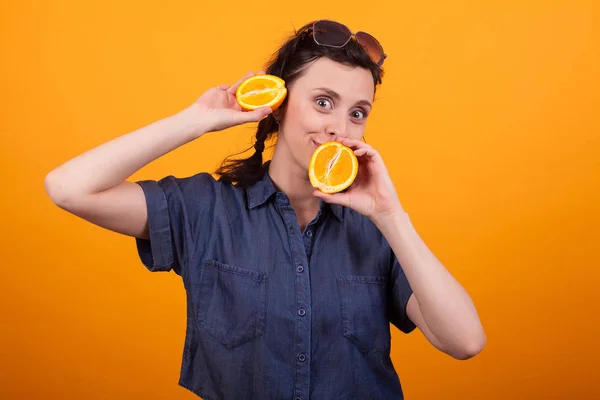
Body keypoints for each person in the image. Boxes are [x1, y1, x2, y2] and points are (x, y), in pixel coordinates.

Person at [45, 19, 485, 400]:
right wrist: (197, 119)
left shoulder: (375, 231)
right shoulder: (204, 210)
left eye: (358, 113)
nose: (339, 126)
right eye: (323, 101)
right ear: (278, 104)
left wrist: (390, 216)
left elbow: (465, 341)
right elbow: (68, 188)